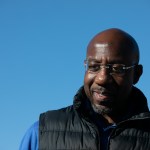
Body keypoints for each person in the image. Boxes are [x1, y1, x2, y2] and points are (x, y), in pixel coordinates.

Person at [19, 28, 150, 150]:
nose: (102, 79)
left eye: (117, 69)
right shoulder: (41, 133)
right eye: (94, 66)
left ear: (137, 74)